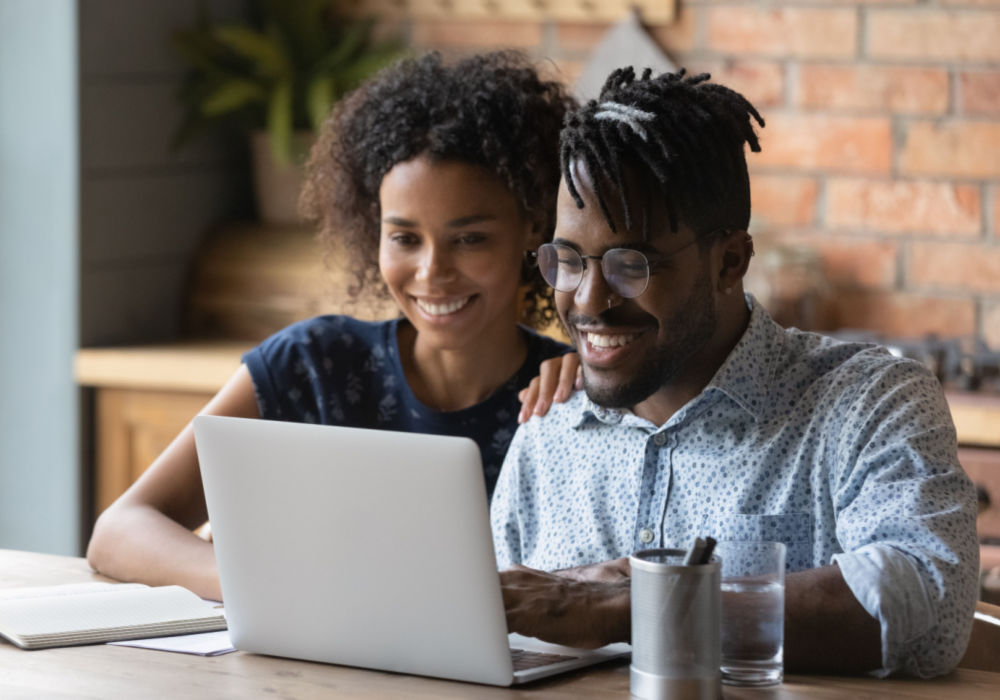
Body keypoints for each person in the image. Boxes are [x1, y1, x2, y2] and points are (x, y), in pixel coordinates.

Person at [490, 67, 979, 678]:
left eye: (630, 266)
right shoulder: (548, 428)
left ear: (729, 262)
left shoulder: (869, 403)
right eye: (567, 260)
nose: (587, 301)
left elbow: (930, 599)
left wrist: (632, 606)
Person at [87, 51, 579, 602]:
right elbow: (119, 531)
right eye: (405, 238)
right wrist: (257, 583)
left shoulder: (567, 397)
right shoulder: (311, 364)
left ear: (532, 228)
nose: (431, 272)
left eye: (469, 239)